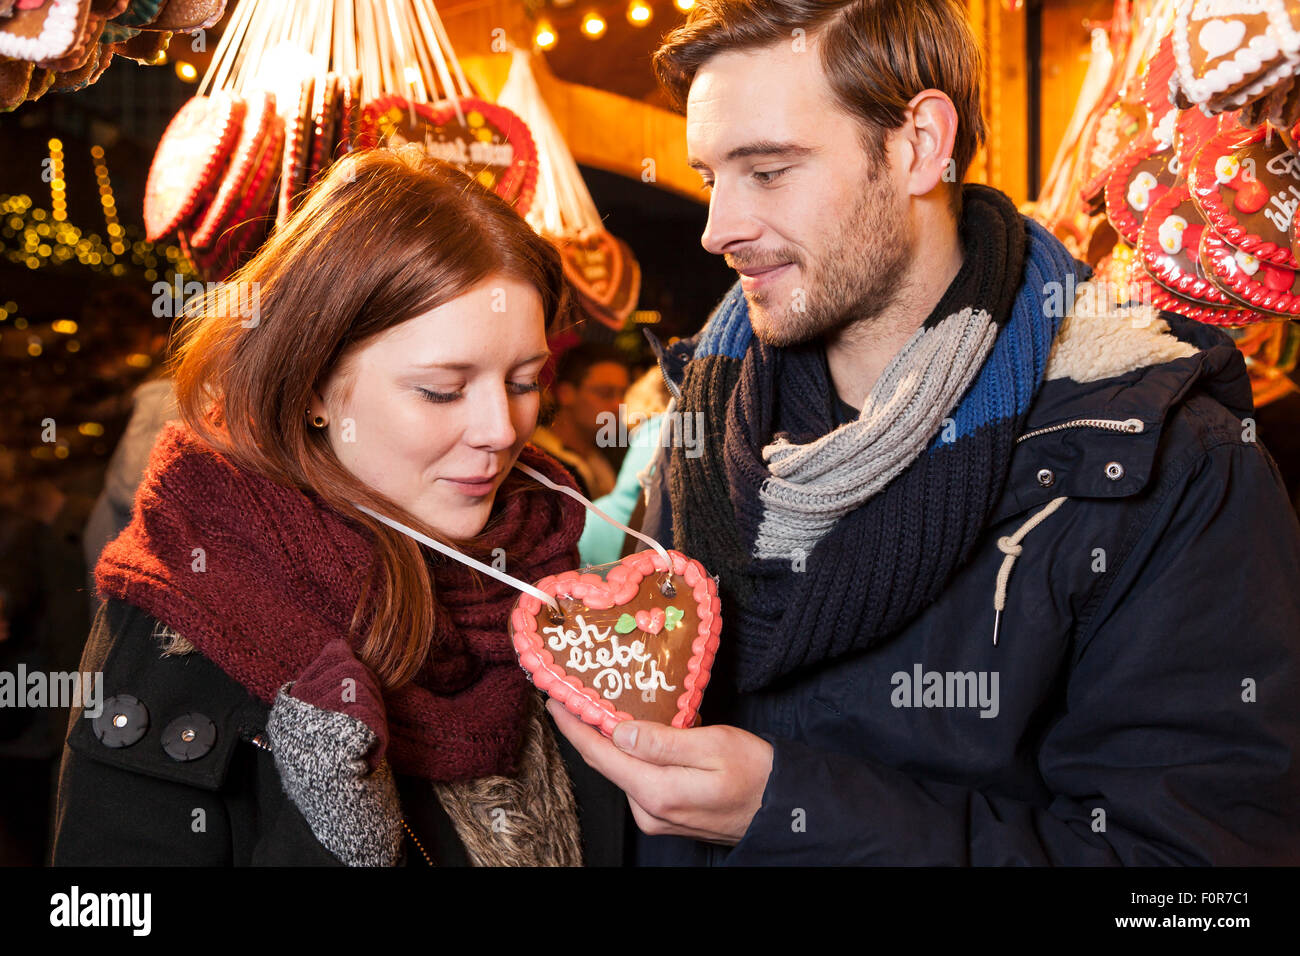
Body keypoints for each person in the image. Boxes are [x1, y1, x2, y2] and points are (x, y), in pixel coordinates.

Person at [548, 0, 1300, 864]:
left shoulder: (1162, 459)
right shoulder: (706, 430)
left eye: (768, 171)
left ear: (919, 145)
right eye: (712, 177)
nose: (718, 230)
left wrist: (792, 809)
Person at [50, 147, 623, 866]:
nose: (501, 431)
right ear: (313, 386)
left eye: (524, 381)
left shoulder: (546, 560)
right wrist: (330, 847)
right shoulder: (188, 607)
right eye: (442, 390)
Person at [531, 343, 629, 498]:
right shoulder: (538, 464)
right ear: (566, 394)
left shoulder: (602, 458)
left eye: (623, 394)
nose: (618, 405)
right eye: (605, 393)